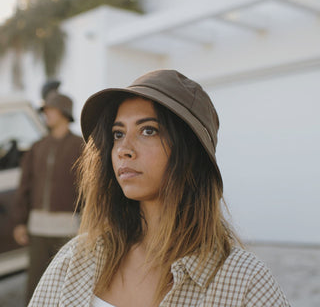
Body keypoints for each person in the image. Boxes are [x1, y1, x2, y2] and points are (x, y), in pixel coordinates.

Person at [28, 70, 290, 307]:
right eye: (118, 134)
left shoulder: (244, 281)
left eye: (148, 131)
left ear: (191, 152)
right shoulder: (76, 259)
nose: (123, 149)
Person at [13, 90, 83, 303]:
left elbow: (88, 188)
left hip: (69, 228)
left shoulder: (81, 146)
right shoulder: (37, 147)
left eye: (50, 110)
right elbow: (24, 186)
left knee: (68, 284)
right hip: (38, 227)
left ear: (63, 112)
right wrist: (19, 223)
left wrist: (88, 222)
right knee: (35, 283)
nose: (46, 115)